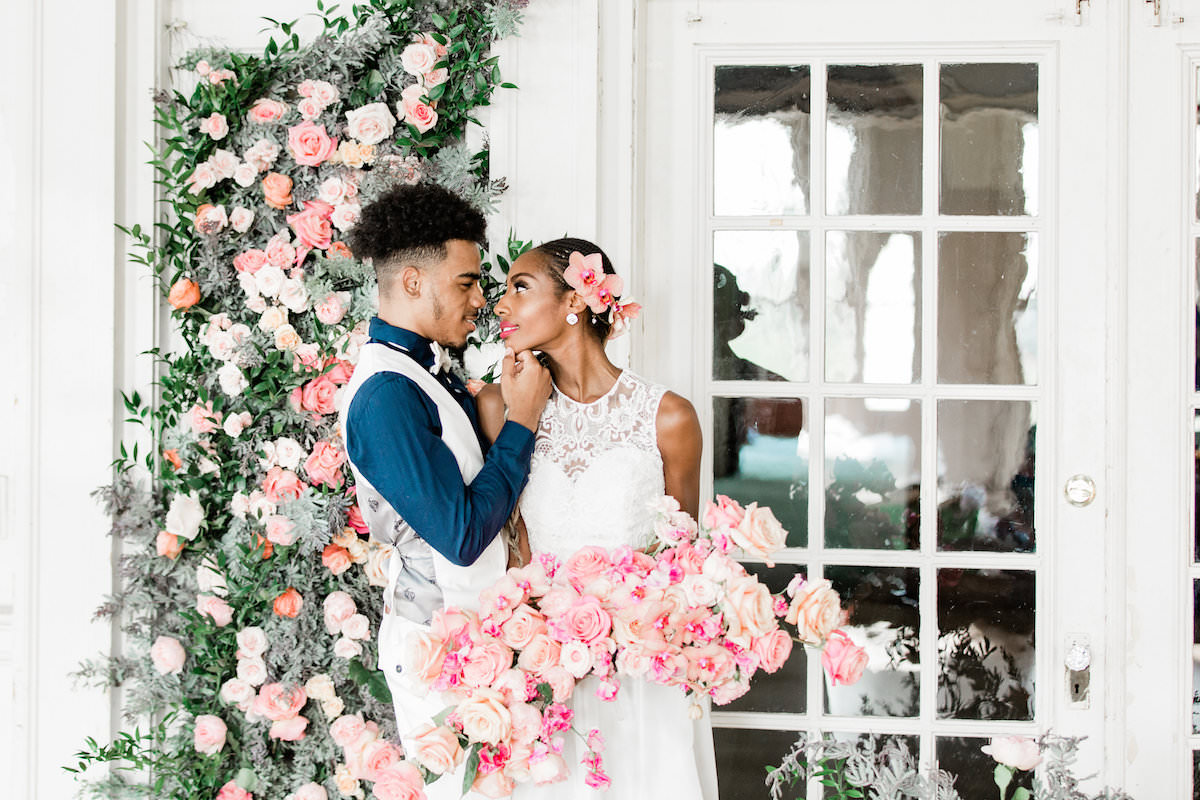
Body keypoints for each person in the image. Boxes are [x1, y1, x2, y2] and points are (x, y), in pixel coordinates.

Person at [479, 237, 719, 799]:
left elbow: (687, 565)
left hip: (640, 679)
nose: (501, 305)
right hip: (545, 676)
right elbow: (513, 549)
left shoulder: (669, 417)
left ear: (576, 301)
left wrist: (627, 636)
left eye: (519, 287)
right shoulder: (500, 407)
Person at [339, 184, 552, 800]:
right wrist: (522, 423)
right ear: (412, 282)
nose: (482, 301)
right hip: (438, 656)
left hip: (476, 642)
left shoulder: (426, 372)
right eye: (466, 284)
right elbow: (459, 537)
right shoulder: (385, 393)